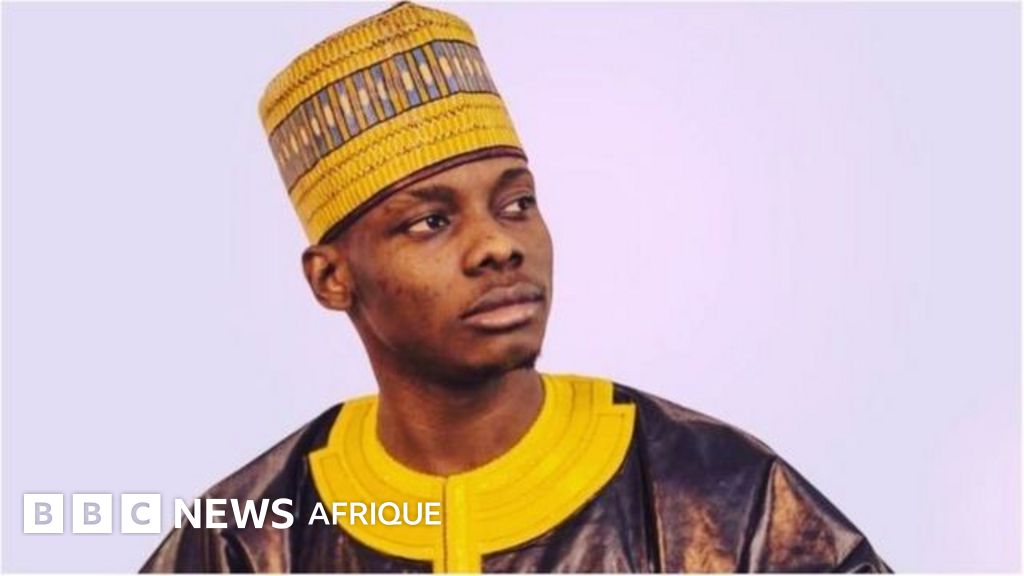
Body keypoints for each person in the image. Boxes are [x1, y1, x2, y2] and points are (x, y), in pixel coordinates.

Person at [141, 2, 890, 572]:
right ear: (332, 277)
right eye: (431, 222)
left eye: (516, 203)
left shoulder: (722, 499)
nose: (499, 245)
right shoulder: (248, 540)